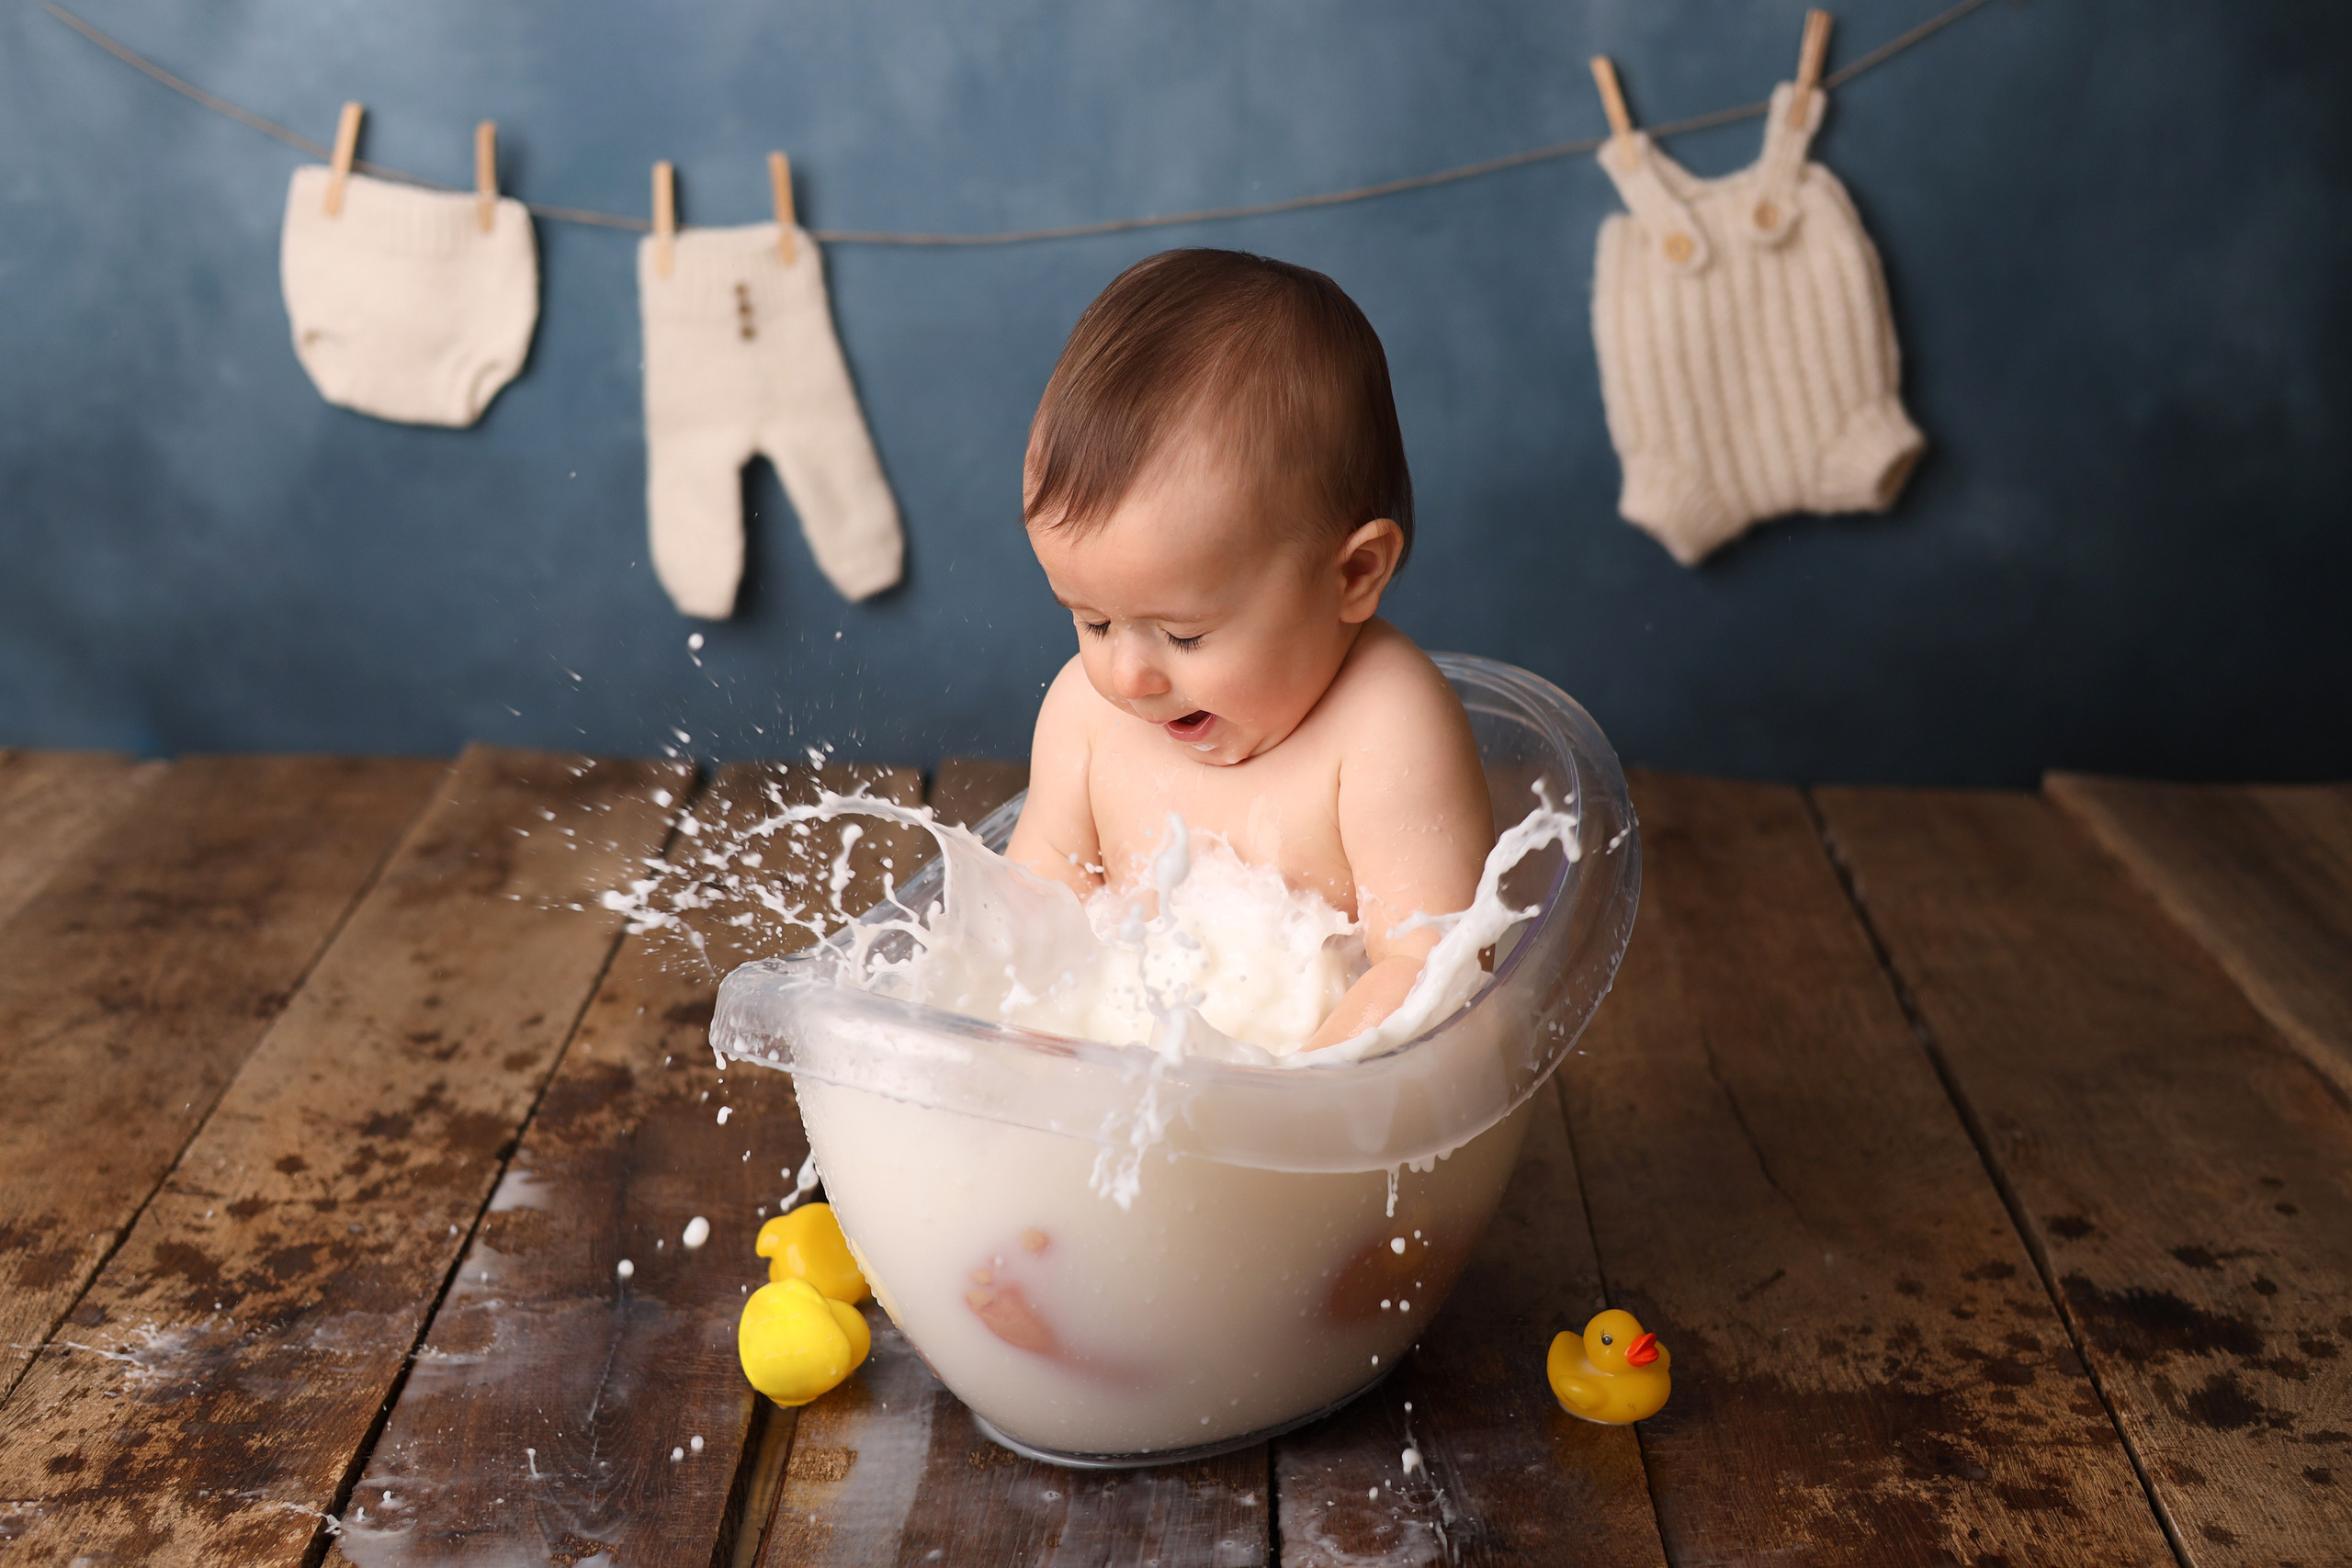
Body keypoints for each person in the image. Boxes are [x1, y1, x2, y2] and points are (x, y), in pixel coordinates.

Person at [1006, 248, 1494, 1051]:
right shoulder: (1083, 718)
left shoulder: (1386, 728)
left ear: (1354, 574)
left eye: (1185, 634)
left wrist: (1291, 1102)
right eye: (1091, 622)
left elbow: (1431, 969)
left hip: (1325, 1116)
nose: (1128, 676)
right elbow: (1023, 929)